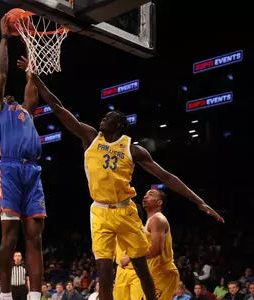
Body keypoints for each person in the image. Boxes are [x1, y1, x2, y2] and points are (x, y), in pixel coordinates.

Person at [16, 57, 224, 300]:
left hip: (125, 212)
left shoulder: (132, 149)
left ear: (119, 126)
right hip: (100, 212)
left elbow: (166, 176)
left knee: (140, 266)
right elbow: (60, 109)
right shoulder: (91, 137)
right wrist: (36, 79)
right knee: (104, 271)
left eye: (109, 117)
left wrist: (199, 201)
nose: (103, 118)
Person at [0, 15, 45, 300]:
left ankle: (35, 296)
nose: (9, 94)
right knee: (9, 236)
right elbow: (0, 75)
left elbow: (32, 83)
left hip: (32, 172)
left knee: (35, 236)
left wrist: (29, 41)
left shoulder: (27, 110)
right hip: (9, 170)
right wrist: (4, 39)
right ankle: (5, 294)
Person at [119, 189, 180, 300]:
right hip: (154, 272)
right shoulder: (149, 221)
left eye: (151, 195)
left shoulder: (157, 219)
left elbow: (156, 250)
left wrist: (131, 258)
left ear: (159, 202)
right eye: (146, 194)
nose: (146, 197)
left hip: (163, 272)